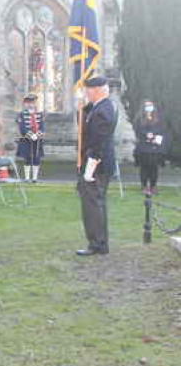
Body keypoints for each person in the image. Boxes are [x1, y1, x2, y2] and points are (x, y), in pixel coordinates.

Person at [76, 76, 118, 257]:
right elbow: (87, 119)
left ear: (98, 90)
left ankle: (97, 244)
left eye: (88, 90)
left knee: (93, 204)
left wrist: (91, 164)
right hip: (97, 161)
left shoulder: (104, 110)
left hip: (96, 163)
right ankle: (99, 242)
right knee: (95, 202)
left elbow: (99, 139)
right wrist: (83, 106)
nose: (86, 93)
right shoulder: (101, 106)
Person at [133, 99, 168, 195]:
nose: (149, 107)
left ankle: (153, 186)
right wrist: (146, 135)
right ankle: (144, 186)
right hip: (143, 147)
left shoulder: (158, 118)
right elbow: (138, 130)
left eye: (150, 105)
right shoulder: (139, 118)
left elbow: (161, 129)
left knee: (154, 168)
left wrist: (154, 136)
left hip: (155, 147)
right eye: (147, 105)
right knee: (144, 168)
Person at [16, 94, 46, 183]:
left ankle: (34, 178)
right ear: (26, 103)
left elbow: (42, 127)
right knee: (27, 158)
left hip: (37, 139)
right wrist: (30, 135)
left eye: (33, 102)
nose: (31, 104)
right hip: (26, 139)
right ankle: (27, 178)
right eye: (29, 102)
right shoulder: (22, 114)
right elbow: (22, 127)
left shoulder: (40, 114)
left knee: (37, 158)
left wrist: (37, 135)